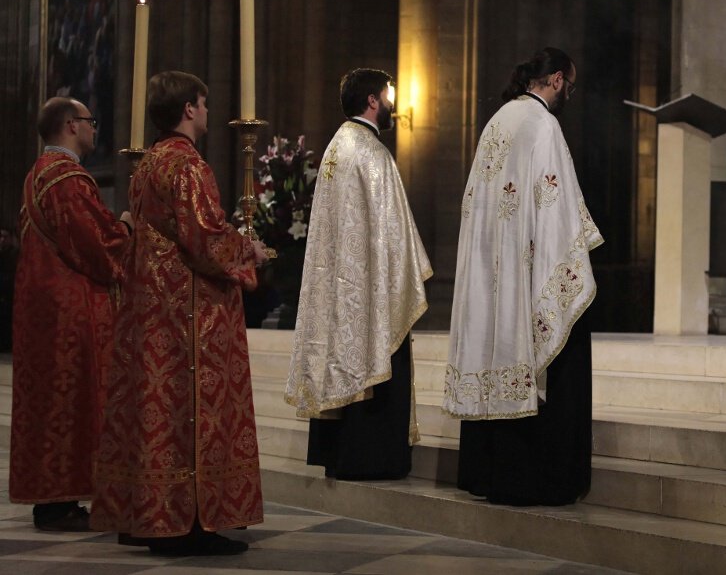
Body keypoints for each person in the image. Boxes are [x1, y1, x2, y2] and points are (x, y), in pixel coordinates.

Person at [91, 71, 268, 555]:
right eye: (205, 104)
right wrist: (249, 250)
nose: (208, 112)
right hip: (188, 313)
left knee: (158, 414)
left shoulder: (148, 164)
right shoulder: (188, 166)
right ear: (189, 109)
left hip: (152, 307)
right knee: (188, 413)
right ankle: (187, 524)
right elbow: (206, 238)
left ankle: (147, 513)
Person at [444, 47, 604, 506]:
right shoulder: (542, 125)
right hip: (528, 266)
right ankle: (540, 479)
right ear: (555, 79)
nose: (567, 96)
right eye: (568, 87)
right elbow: (557, 211)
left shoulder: (498, 120)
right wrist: (570, 259)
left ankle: (489, 474)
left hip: (494, 270)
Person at [285, 68, 432, 480]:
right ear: (372, 100)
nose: (392, 105)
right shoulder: (370, 153)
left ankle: (341, 454)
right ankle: (373, 457)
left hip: (340, 290)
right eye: (388, 96)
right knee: (379, 355)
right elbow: (394, 235)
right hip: (367, 293)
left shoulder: (337, 147)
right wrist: (409, 274)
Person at [8, 97, 131, 531]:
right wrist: (128, 230)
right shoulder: (66, 178)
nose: (94, 129)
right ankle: (58, 502)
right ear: (69, 124)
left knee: (51, 404)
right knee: (71, 402)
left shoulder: (37, 174)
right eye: (89, 122)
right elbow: (94, 243)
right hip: (69, 311)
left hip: (40, 305)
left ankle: (52, 497)